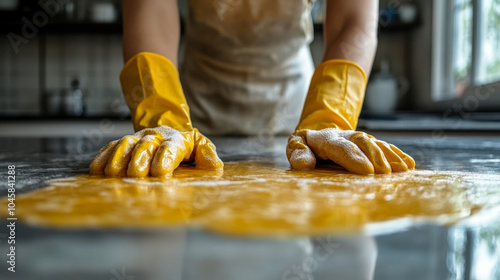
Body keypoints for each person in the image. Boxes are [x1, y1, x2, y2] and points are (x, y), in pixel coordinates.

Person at [89, 0, 415, 177]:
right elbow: (150, 10)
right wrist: (164, 117)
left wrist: (329, 117)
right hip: (194, 102)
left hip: (295, 104)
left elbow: (352, 22)